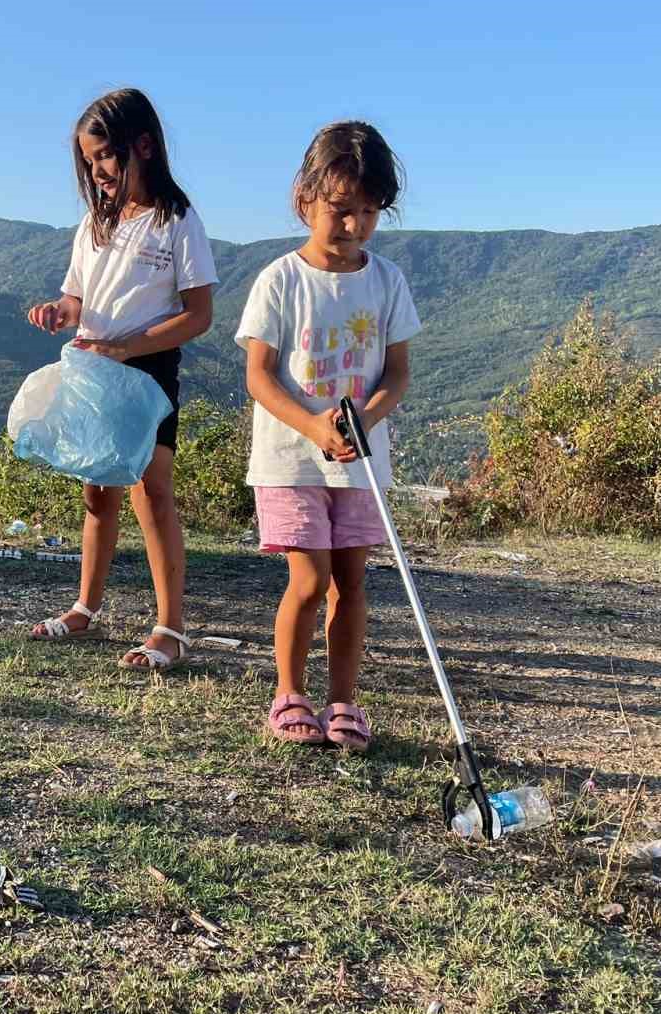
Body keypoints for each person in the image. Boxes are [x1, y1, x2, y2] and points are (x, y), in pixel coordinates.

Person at [234, 121, 420, 749]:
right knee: (308, 581)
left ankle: (344, 702)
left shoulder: (387, 280)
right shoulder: (280, 280)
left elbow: (396, 375)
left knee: (352, 584)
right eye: (341, 210)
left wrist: (363, 421)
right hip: (290, 459)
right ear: (305, 200)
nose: (355, 225)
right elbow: (259, 377)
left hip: (360, 462)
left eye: (370, 212)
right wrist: (314, 424)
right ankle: (290, 693)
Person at [25, 88, 217, 670]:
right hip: (92, 365)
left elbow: (199, 314)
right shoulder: (93, 224)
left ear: (144, 145)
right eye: (89, 161)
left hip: (148, 369)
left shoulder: (178, 222)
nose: (98, 170)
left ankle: (170, 628)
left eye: (106, 155)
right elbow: (77, 296)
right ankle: (86, 607)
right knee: (96, 491)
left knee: (152, 493)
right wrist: (60, 312)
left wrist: (128, 347)